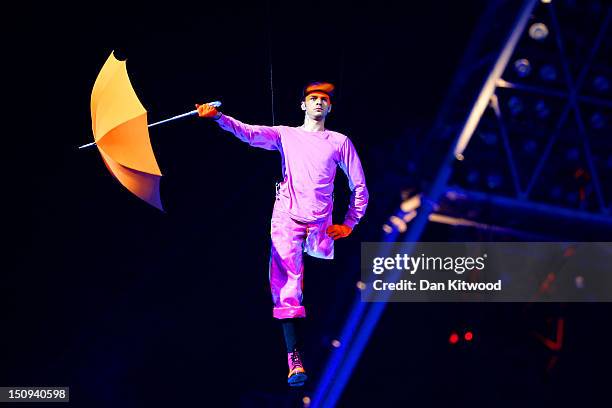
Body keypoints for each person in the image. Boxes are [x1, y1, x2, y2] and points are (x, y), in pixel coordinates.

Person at [195, 82, 369, 387]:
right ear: (303, 105)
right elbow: (249, 133)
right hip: (287, 217)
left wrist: (350, 223)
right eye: (313, 98)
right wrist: (219, 118)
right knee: (287, 286)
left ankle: (322, 342)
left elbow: (359, 186)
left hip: (321, 224)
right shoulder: (286, 135)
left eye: (323, 100)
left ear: (330, 108)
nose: (318, 103)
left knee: (321, 281)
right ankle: (294, 358)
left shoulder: (340, 142)